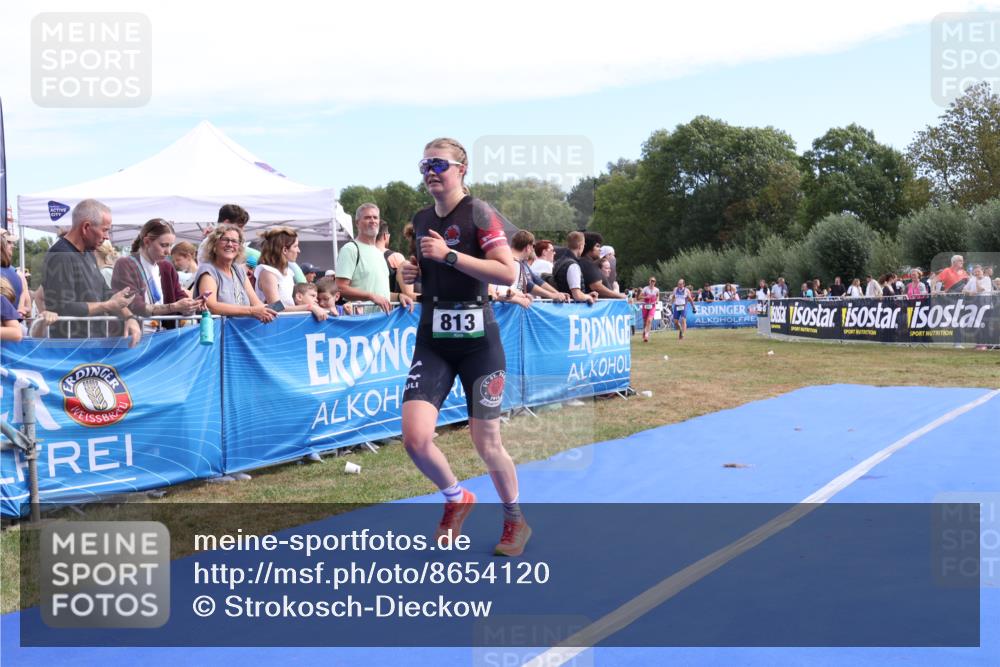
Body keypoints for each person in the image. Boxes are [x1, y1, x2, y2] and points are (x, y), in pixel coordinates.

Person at [400, 137, 529, 558]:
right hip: (434, 339)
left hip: (478, 344)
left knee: (486, 440)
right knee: (415, 438)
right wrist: (412, 271)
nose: (430, 171)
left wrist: (449, 255)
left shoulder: (478, 212)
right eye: (424, 165)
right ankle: (457, 497)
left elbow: (507, 273)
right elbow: (428, 275)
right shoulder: (420, 219)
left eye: (439, 163)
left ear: (462, 169)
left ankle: (514, 519)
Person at [41, 199, 141, 345]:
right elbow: (63, 307)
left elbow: (105, 293)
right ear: (86, 227)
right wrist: (106, 305)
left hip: (92, 344)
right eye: (105, 229)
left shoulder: (88, 253)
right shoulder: (61, 255)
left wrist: (129, 317)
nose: (107, 236)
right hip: (71, 348)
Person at [111, 219, 203, 332]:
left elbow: (179, 296)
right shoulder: (125, 264)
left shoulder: (167, 267)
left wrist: (191, 305)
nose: (168, 252)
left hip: (162, 335)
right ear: (147, 242)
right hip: (136, 336)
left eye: (170, 245)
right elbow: (135, 305)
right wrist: (174, 306)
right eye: (164, 245)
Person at [336, 203, 414, 314]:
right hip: (360, 324)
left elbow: (381, 295)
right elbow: (340, 288)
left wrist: (399, 297)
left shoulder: (379, 253)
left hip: (381, 323)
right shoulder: (350, 249)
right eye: (367, 217)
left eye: (375, 217)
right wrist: (371, 296)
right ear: (357, 223)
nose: (372, 220)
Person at [193, 224, 277, 323]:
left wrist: (273, 309)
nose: (230, 244)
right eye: (224, 239)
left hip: (240, 333)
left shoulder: (238, 270)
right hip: (218, 335)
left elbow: (256, 304)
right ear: (214, 244)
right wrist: (251, 311)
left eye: (234, 241)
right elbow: (210, 306)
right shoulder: (208, 271)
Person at [253, 226, 328, 320]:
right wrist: (309, 307)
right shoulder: (268, 273)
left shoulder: (289, 272)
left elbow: (290, 304)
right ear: (284, 250)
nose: (299, 250)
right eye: (295, 246)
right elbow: (276, 308)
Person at [508, 230, 568, 304]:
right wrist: (552, 295)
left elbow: (535, 279)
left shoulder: (520, 262)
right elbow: (528, 285)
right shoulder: (512, 262)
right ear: (527, 247)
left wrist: (557, 293)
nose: (533, 250)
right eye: (533, 246)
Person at [551, 232, 597, 304]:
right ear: (580, 246)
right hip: (571, 309)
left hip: (561, 306)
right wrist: (588, 297)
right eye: (584, 245)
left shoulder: (559, 262)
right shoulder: (572, 265)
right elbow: (577, 295)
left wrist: (585, 295)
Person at [579, 232, 625, 299]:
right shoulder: (587, 264)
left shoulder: (587, 262)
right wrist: (619, 296)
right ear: (589, 247)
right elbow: (597, 287)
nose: (600, 249)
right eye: (597, 246)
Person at [0, 228, 30, 318]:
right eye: (8, 242)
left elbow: (28, 309)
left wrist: (20, 312)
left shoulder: (19, 274)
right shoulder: (18, 274)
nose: (12, 245)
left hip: (11, 328)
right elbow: (28, 309)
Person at [639, 276, 659, 342]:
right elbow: (639, 297)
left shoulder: (656, 289)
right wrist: (645, 297)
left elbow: (658, 296)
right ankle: (644, 331)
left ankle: (646, 336)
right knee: (645, 322)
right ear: (649, 281)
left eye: (654, 281)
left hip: (652, 306)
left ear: (655, 282)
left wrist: (657, 300)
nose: (652, 282)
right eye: (651, 281)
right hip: (645, 306)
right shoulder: (645, 289)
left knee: (649, 320)